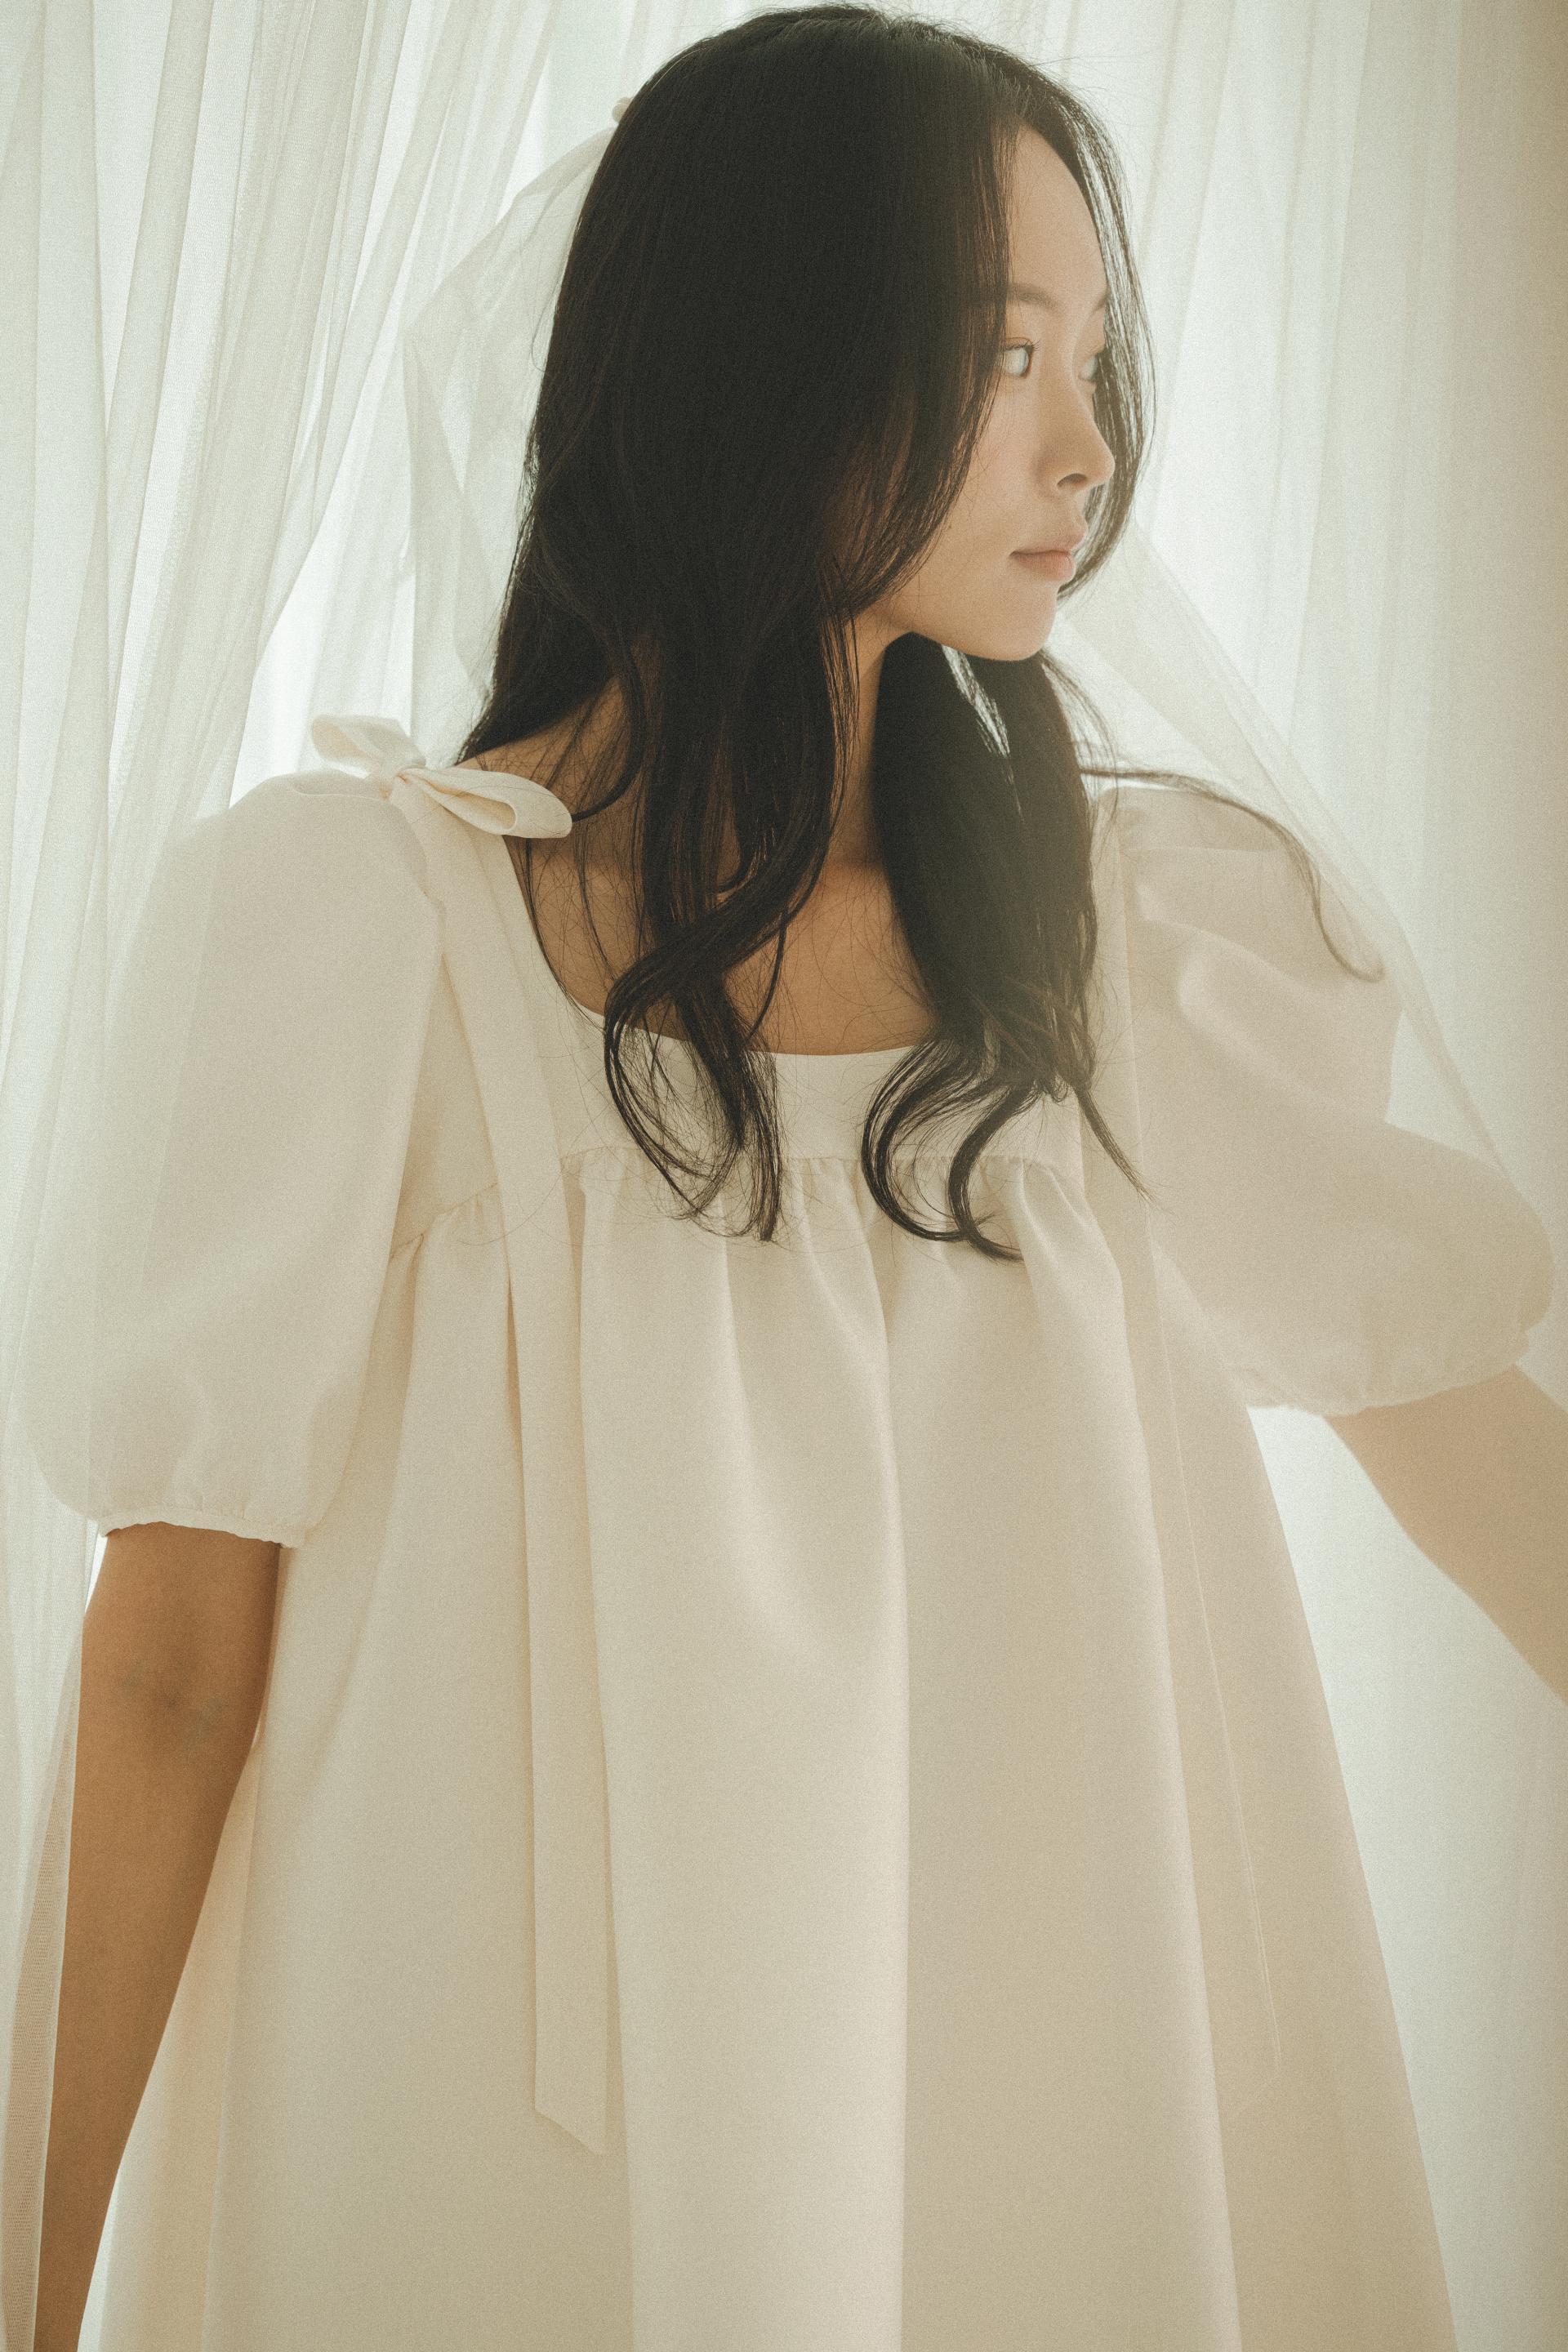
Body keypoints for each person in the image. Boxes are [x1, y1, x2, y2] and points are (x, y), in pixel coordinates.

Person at [16, 9, 1557, 2350]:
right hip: (487, 2143)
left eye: (1095, 359)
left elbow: (1480, 1462)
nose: (1086, 449)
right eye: (1006, 353)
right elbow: (164, 1674)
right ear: (765, 356)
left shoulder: (1130, 949)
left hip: (1046, 2097)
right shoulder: (353, 936)